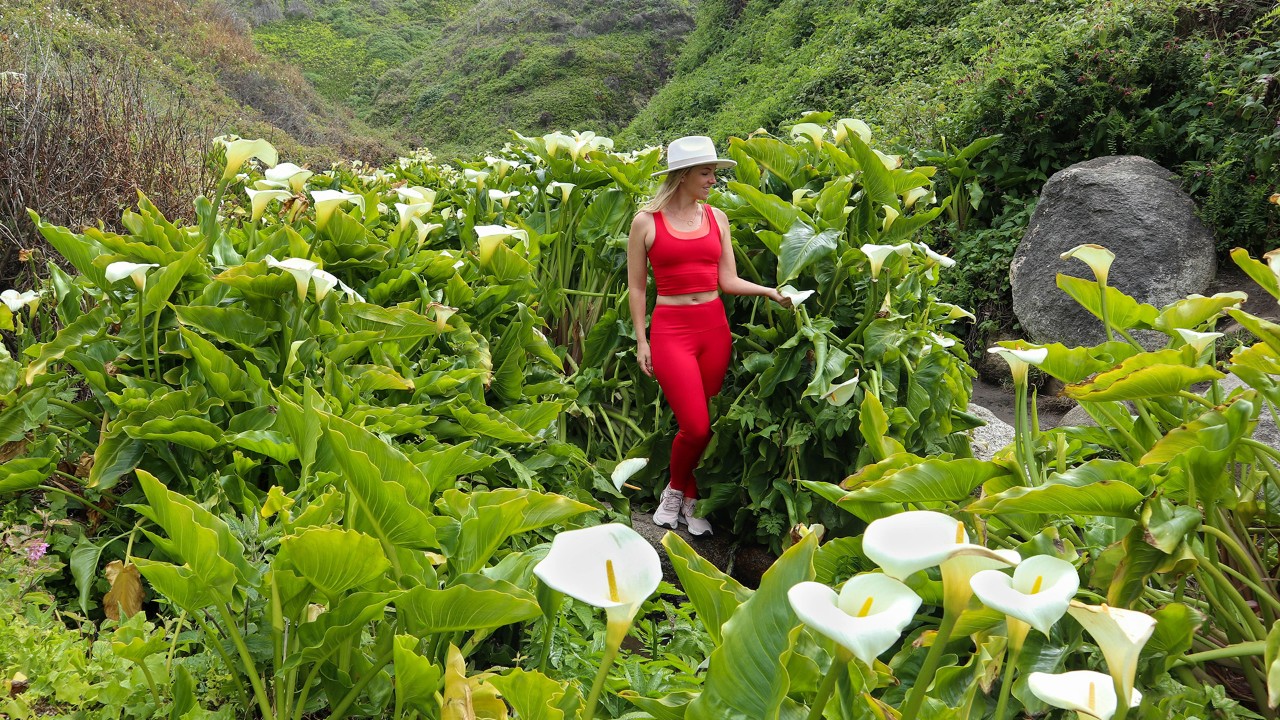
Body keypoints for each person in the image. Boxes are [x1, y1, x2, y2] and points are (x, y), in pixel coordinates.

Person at [627, 136, 792, 535]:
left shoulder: (717, 218)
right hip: (670, 331)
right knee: (696, 426)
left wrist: (769, 291)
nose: (712, 180)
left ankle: (687, 494)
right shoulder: (646, 222)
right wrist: (641, 339)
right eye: (706, 173)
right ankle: (675, 492)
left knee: (704, 421)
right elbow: (637, 288)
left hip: (713, 328)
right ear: (682, 175)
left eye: (714, 173)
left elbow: (728, 280)